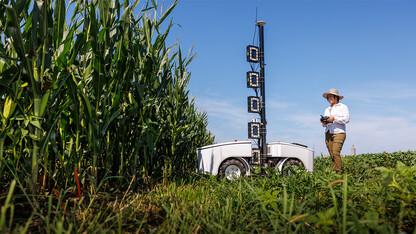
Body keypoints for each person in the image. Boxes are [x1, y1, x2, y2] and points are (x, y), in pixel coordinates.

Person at [321, 89, 350, 174]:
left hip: (339, 132)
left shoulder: (343, 107)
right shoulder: (327, 109)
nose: (329, 98)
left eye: (331, 96)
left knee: (335, 152)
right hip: (328, 133)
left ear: (336, 97)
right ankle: (335, 173)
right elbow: (326, 123)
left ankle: (339, 173)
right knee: (332, 154)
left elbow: (346, 119)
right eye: (328, 97)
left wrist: (334, 119)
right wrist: (324, 122)